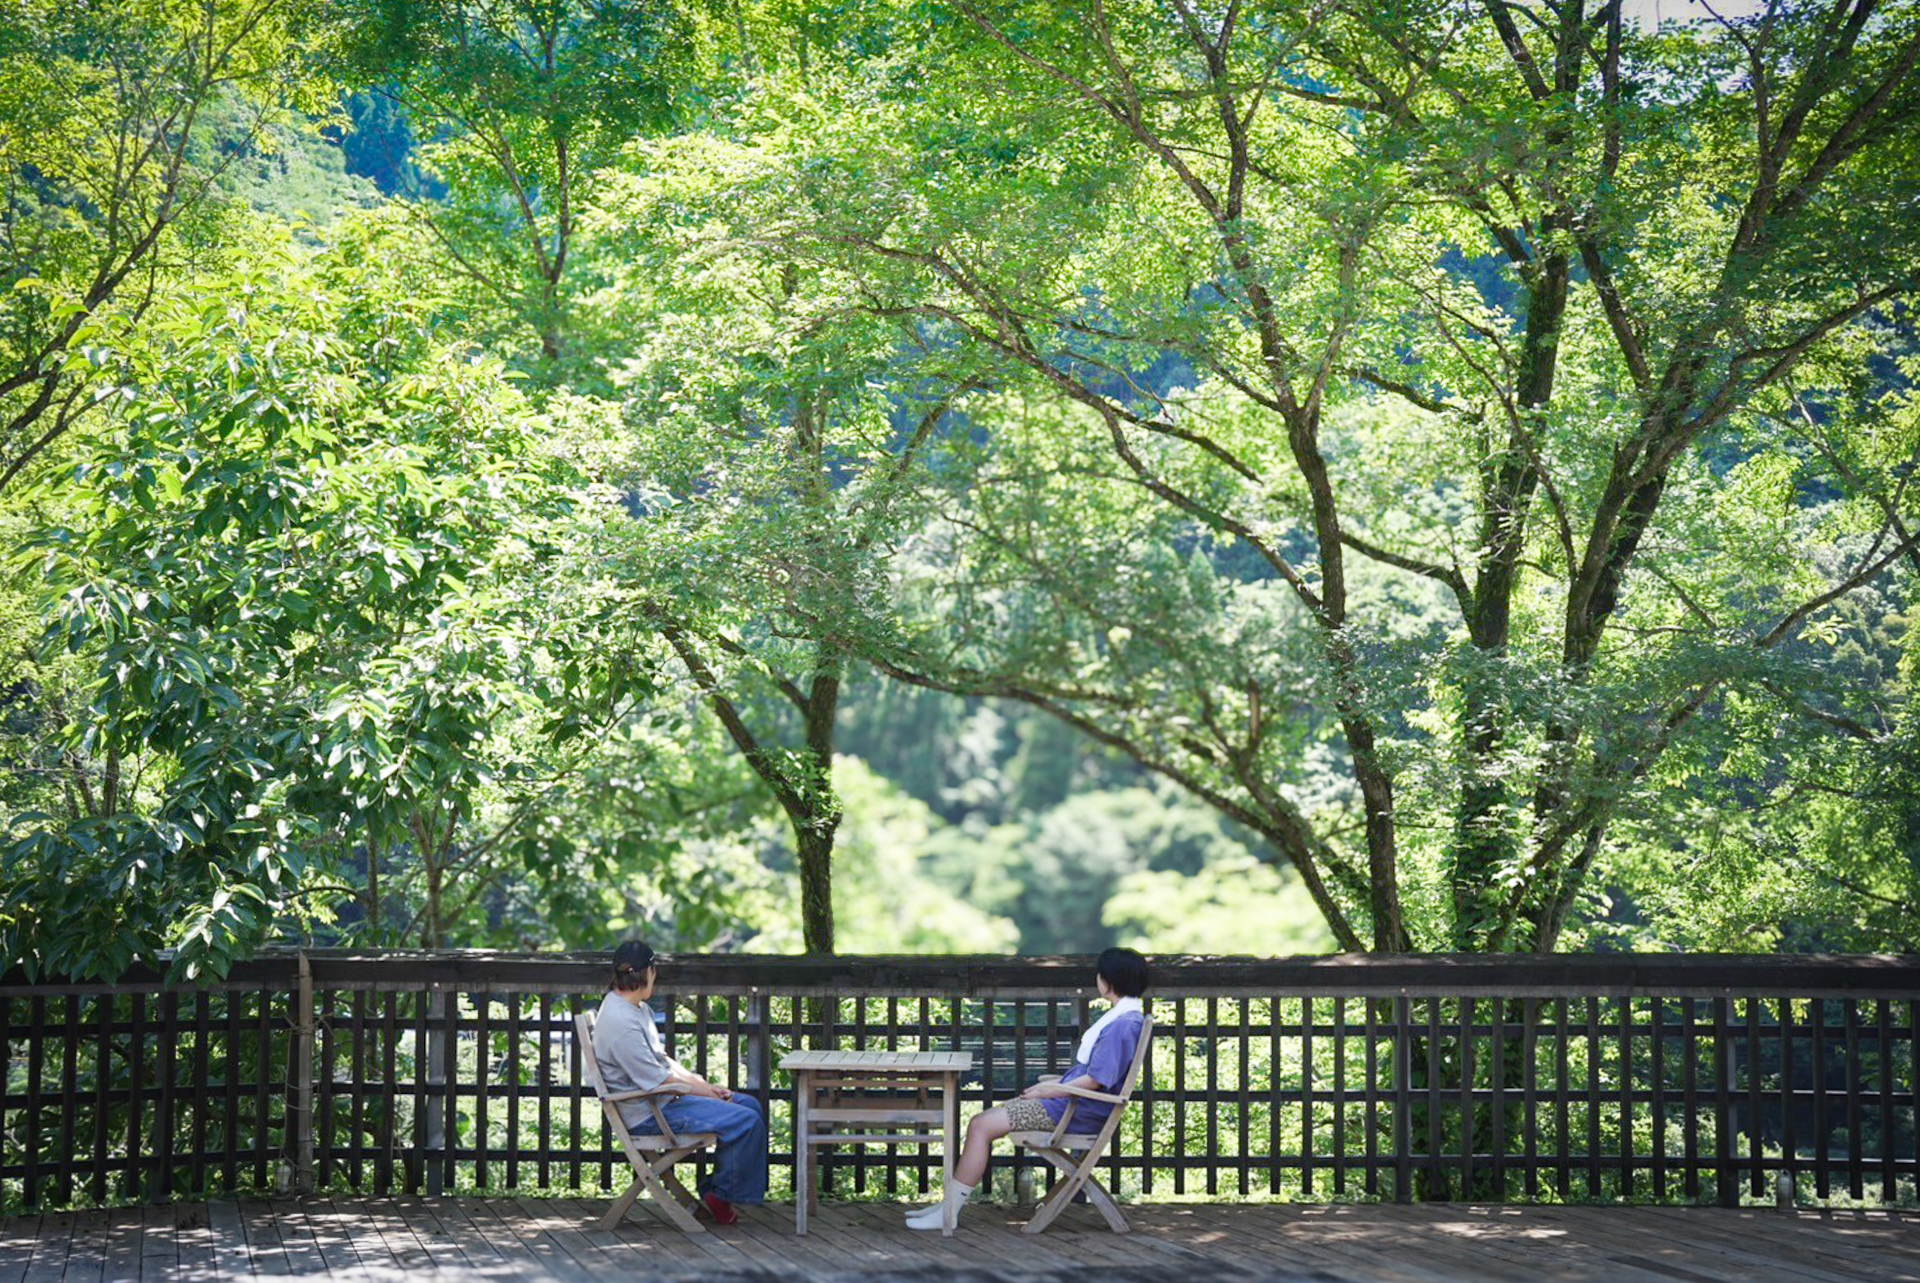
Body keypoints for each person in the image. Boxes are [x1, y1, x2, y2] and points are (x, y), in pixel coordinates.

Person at [905, 946, 1150, 1231]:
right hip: (1071, 1105)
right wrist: (1049, 1087)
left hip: (1074, 1111)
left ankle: (949, 1212)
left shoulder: (1123, 1025)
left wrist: (1049, 1091)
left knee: (980, 1126)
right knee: (981, 1123)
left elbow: (1095, 1080)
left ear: (1109, 980)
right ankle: (949, 1205)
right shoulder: (1126, 1019)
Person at [592, 940, 768, 1225]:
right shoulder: (621, 1023)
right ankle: (720, 1195)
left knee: (749, 1105)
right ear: (649, 972)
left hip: (660, 1101)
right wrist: (705, 1092)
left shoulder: (634, 1008)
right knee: (746, 1120)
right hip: (649, 1114)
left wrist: (702, 1084)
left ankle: (718, 1192)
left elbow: (661, 1060)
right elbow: (659, 1079)